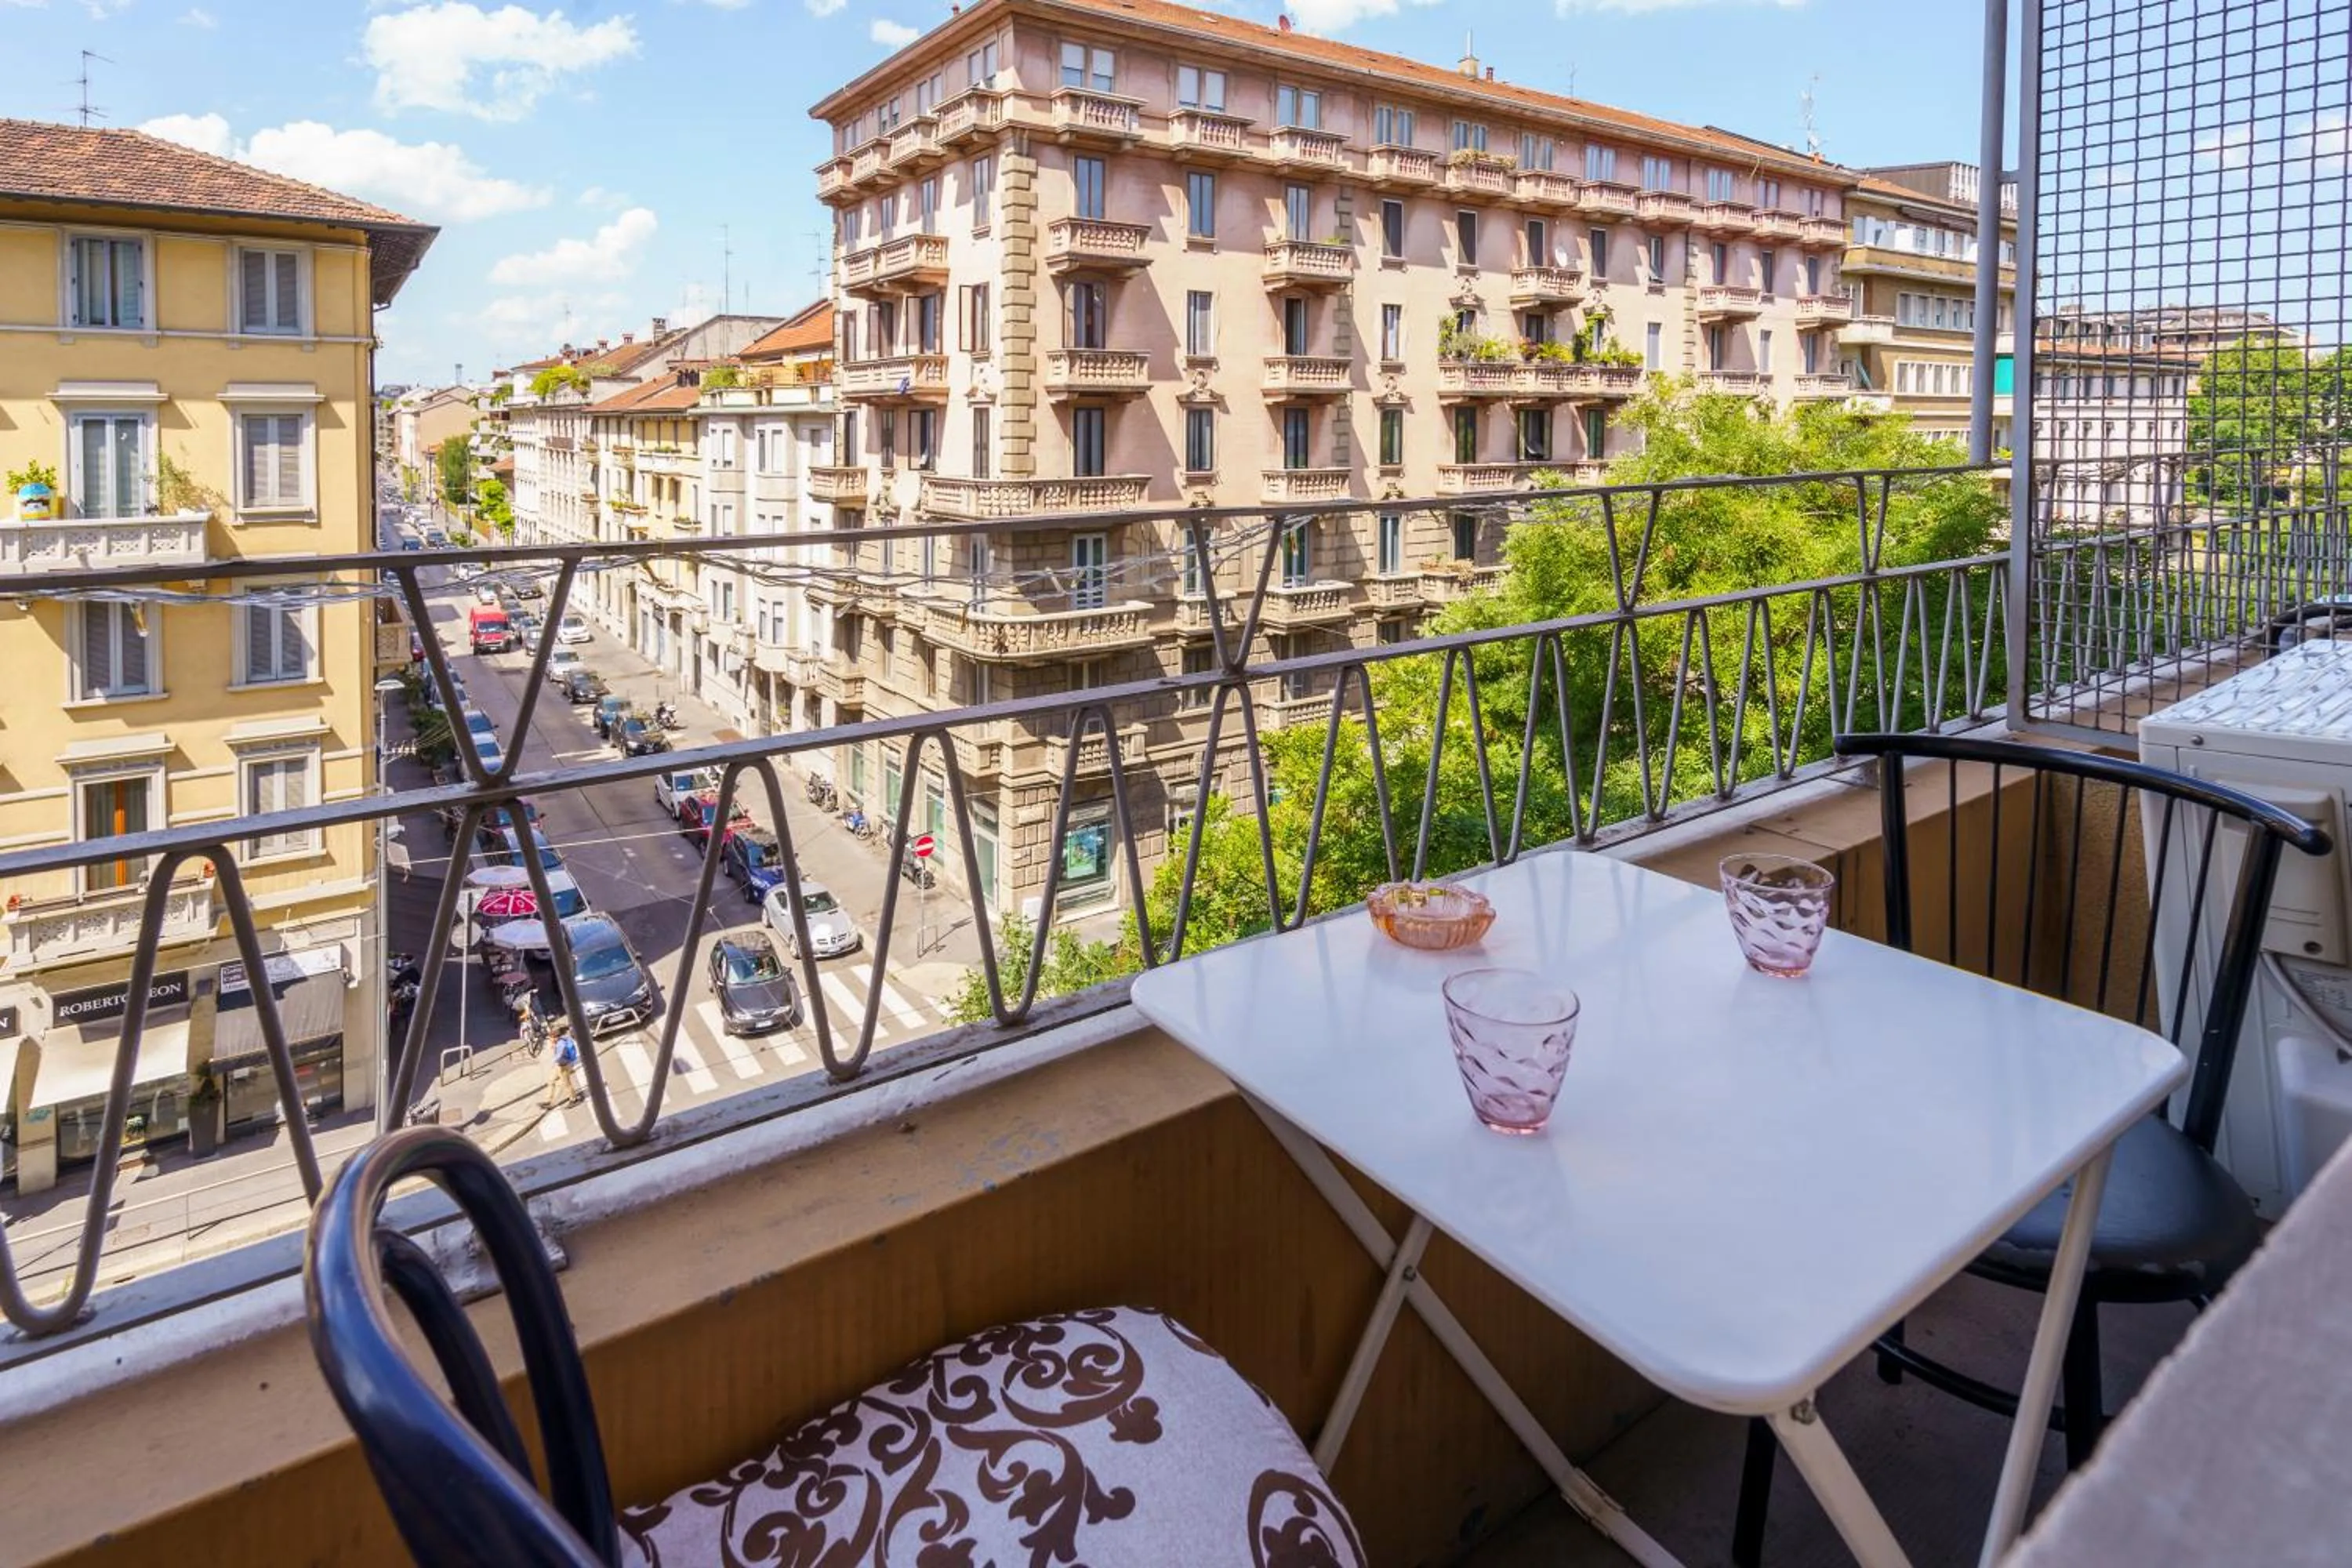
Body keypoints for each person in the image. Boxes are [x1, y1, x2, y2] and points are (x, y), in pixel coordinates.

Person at [543, 1029, 583, 1109]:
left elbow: (559, 1056)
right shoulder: (558, 1042)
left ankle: (574, 1099)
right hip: (559, 1065)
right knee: (551, 1081)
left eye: (551, 1038)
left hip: (564, 1066)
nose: (550, 1040)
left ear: (555, 1038)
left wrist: (553, 1060)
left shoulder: (561, 1045)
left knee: (566, 1084)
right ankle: (548, 1101)